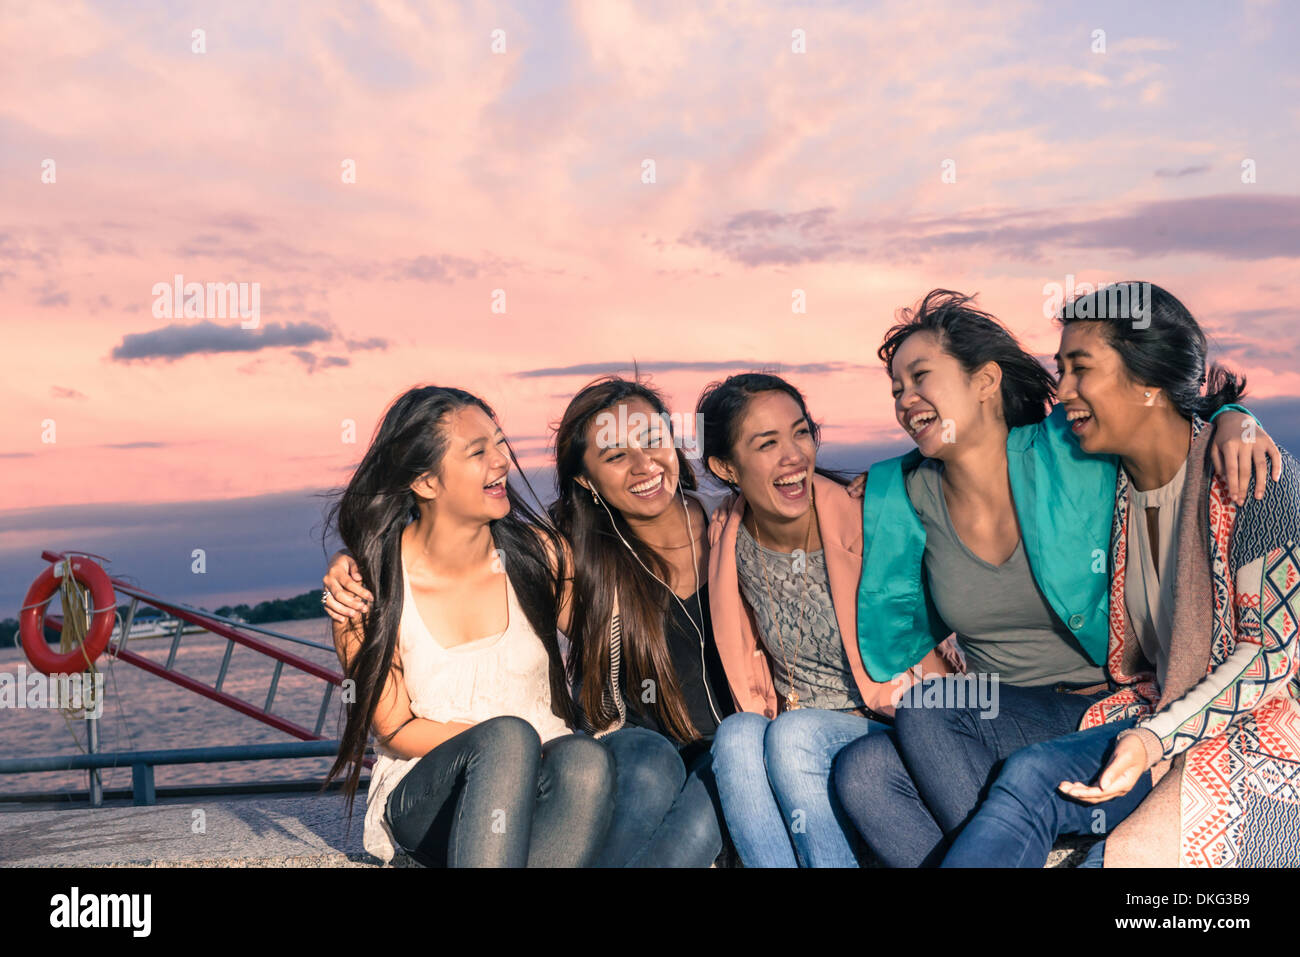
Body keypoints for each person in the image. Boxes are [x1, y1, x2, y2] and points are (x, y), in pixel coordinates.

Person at [833, 289, 1279, 866]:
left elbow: (1161, 418)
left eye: (921, 376)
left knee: (931, 713)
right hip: (1006, 712)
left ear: (986, 381)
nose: (904, 399)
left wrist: (1234, 417)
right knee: (863, 769)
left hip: (1110, 700)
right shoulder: (900, 491)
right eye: (895, 388)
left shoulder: (1072, 447)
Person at [322, 385, 613, 867]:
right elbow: (395, 729)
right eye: (478, 452)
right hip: (430, 798)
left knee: (586, 760)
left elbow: (612, 642)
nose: (501, 461)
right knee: (507, 740)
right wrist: (516, 741)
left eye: (500, 442)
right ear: (425, 482)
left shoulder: (538, 554)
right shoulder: (369, 589)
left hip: (547, 778)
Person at [701, 372, 956, 867]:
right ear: (726, 467)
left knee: (794, 736)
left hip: (889, 723)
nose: (793, 455)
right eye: (767, 443)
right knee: (736, 735)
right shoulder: (725, 537)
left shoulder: (867, 516)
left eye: (801, 432)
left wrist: (901, 467)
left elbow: (956, 460)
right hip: (789, 730)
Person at [552, 375, 734, 867]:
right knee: (654, 766)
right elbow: (459, 557)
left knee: (725, 781)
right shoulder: (576, 563)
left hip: (732, 751)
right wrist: (350, 570)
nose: (643, 465)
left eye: (653, 441)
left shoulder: (734, 526)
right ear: (587, 482)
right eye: (615, 456)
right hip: (634, 756)